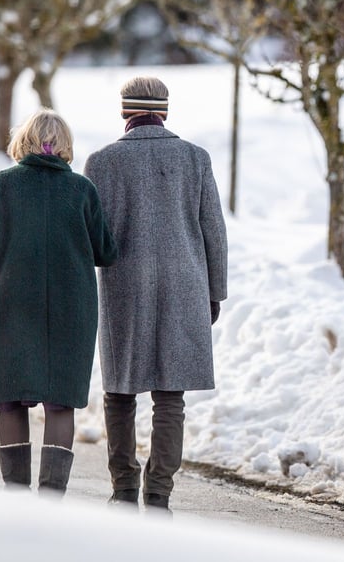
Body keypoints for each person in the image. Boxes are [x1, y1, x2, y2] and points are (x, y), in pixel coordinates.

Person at [0, 108, 118, 496]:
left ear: (23, 141)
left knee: (11, 401)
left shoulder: (4, 185)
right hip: (70, 314)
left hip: (9, 311)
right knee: (60, 404)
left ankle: (16, 496)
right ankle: (50, 497)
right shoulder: (82, 190)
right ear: (64, 145)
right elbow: (106, 252)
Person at [84, 75, 228, 514]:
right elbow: (214, 231)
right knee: (170, 396)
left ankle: (124, 489)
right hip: (185, 286)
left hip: (123, 288)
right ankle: (159, 492)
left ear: (124, 111)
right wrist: (215, 292)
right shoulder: (195, 158)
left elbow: (91, 235)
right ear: (164, 110)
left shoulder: (101, 162)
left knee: (119, 393)